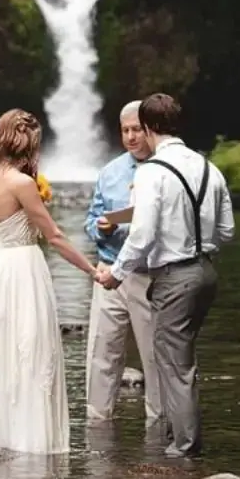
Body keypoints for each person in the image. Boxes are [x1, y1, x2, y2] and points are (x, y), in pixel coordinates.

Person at [98, 93, 235, 457]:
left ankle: (183, 449)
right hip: (206, 272)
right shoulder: (211, 168)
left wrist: (116, 272)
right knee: (181, 357)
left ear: (147, 127)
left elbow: (141, 235)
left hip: (174, 277)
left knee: (175, 364)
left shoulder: (151, 173)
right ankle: (180, 440)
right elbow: (226, 231)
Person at [0, 109, 99, 454]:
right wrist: (93, 271)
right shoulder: (23, 184)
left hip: (0, 270)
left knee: (4, 351)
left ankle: (0, 439)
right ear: (27, 142)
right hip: (25, 270)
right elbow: (55, 236)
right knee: (32, 350)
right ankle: (33, 445)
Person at [84, 101, 162, 424]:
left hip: (148, 276)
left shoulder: (164, 170)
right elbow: (90, 220)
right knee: (102, 354)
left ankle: (159, 428)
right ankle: (97, 425)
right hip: (108, 270)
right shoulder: (110, 172)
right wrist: (101, 228)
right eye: (125, 130)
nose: (130, 137)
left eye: (136, 130)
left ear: (150, 130)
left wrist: (127, 227)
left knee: (154, 357)